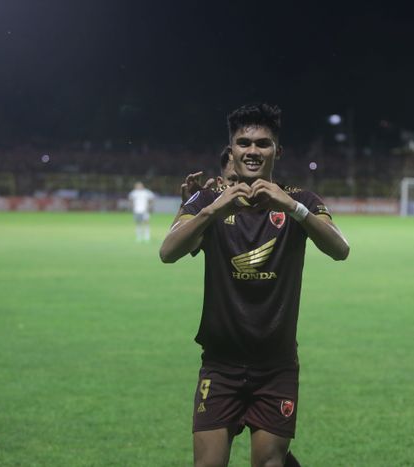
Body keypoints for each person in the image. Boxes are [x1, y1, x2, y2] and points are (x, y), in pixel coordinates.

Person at [160, 103, 350, 467]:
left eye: (262, 143)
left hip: (275, 365)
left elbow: (340, 249)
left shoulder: (301, 200)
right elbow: (168, 252)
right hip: (220, 364)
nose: (252, 151)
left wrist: (292, 207)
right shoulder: (206, 201)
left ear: (277, 151)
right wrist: (212, 209)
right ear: (231, 150)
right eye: (243, 143)